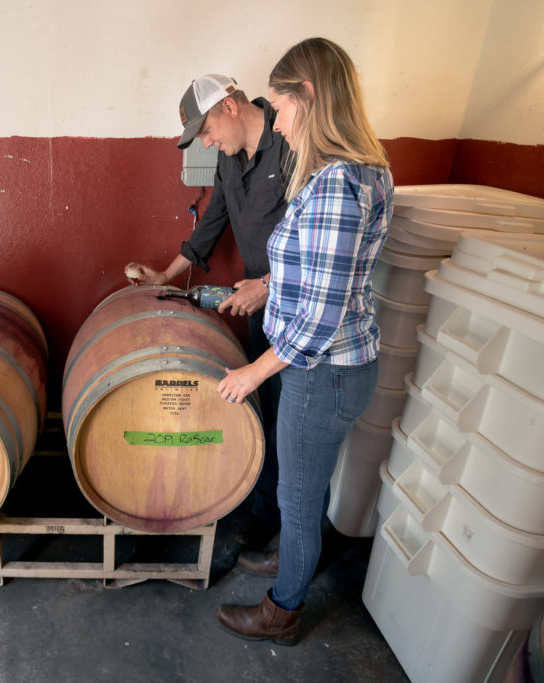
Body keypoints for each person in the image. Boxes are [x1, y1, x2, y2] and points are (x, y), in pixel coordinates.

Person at [214, 37, 393, 645]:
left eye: (282, 108)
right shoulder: (365, 172)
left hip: (323, 371)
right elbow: (326, 277)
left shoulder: (335, 184)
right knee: (306, 486)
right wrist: (268, 282)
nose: (281, 126)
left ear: (309, 96)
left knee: (294, 492)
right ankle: (297, 556)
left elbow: (317, 320)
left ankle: (283, 609)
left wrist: (252, 373)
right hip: (341, 365)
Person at [126, 74, 292, 550]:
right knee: (267, 407)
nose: (206, 140)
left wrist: (267, 283)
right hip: (261, 303)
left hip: (295, 299)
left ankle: (283, 526)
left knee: (291, 417)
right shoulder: (228, 157)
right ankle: (265, 510)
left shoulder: (291, 143)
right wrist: (165, 275)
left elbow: (317, 242)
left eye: (206, 129)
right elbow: (215, 219)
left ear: (231, 107)